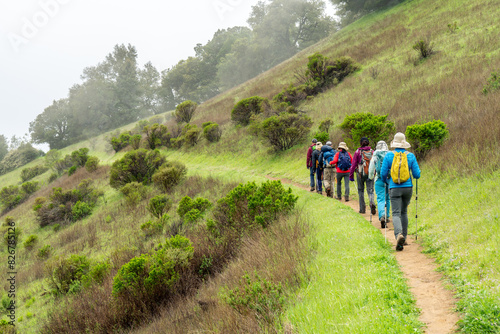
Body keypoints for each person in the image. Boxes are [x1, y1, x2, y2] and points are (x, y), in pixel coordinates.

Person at [380, 132, 421, 251]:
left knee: (396, 213)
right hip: (408, 188)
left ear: (394, 143)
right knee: (404, 212)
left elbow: (383, 173)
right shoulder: (411, 156)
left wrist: (387, 181)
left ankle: (399, 235)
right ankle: (405, 237)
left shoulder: (389, 155)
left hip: (394, 188)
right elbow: (417, 175)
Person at [350, 137, 375, 214]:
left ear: (361, 143)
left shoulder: (357, 152)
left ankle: (362, 209)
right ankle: (371, 203)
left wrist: (351, 176)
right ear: (368, 143)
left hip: (360, 173)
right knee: (370, 190)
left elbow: (353, 164)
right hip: (370, 173)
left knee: (360, 190)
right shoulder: (372, 152)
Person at [368, 141, 390, 228]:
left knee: (381, 198)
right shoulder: (390, 154)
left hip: (379, 179)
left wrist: (370, 177)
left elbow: (371, 170)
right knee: (388, 198)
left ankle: (382, 216)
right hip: (388, 180)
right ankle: (387, 216)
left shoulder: (375, 155)